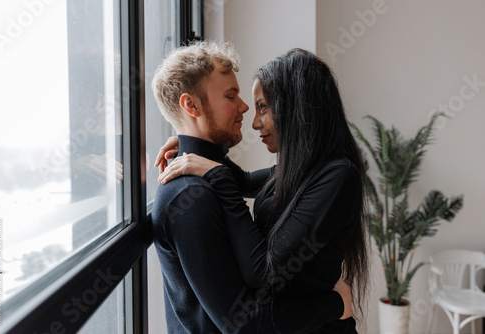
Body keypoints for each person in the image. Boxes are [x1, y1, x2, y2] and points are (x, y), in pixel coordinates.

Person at [156, 48, 370, 333]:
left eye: (263, 107)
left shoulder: (334, 174)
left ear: (298, 110)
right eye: (231, 97)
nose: (250, 115)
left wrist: (202, 155)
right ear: (192, 106)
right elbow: (244, 181)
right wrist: (189, 144)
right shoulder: (191, 196)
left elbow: (264, 273)